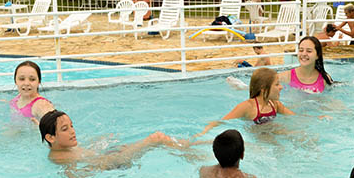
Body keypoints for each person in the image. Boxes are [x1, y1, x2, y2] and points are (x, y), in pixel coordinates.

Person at [38, 110, 178, 167]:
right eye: (65, 129)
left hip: (110, 158)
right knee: (154, 140)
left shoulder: (65, 147)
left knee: (160, 139)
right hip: (113, 166)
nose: (72, 131)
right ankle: (192, 146)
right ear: (50, 137)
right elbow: (102, 164)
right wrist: (146, 143)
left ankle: (191, 144)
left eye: (72, 126)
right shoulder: (59, 158)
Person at [202, 68, 294, 135]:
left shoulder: (274, 104)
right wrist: (202, 134)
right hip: (257, 138)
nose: (281, 87)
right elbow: (220, 122)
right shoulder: (247, 107)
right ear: (263, 89)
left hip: (271, 131)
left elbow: (295, 118)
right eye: (277, 84)